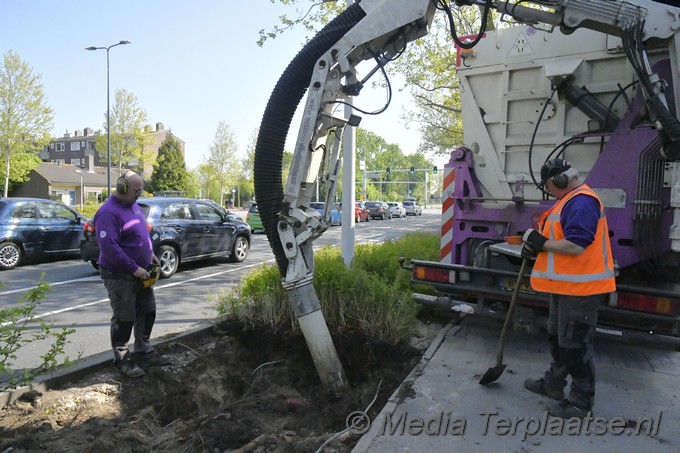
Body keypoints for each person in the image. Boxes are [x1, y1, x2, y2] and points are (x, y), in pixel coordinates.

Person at [521, 159, 616, 418]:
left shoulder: (582, 201)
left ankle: (580, 402)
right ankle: (553, 384)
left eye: (549, 184)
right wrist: (537, 243)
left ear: (560, 180)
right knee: (557, 336)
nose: (548, 190)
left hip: (582, 289)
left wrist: (542, 243)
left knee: (575, 346)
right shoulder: (568, 200)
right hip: (566, 285)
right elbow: (557, 239)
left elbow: (576, 245)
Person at [94, 170, 167, 377]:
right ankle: (123, 361)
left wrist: (150, 253)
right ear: (122, 189)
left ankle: (144, 353)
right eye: (136, 191)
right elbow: (109, 248)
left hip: (142, 274)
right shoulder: (108, 213)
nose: (139, 195)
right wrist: (134, 268)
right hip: (120, 276)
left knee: (147, 312)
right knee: (124, 319)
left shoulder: (133, 206)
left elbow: (141, 233)